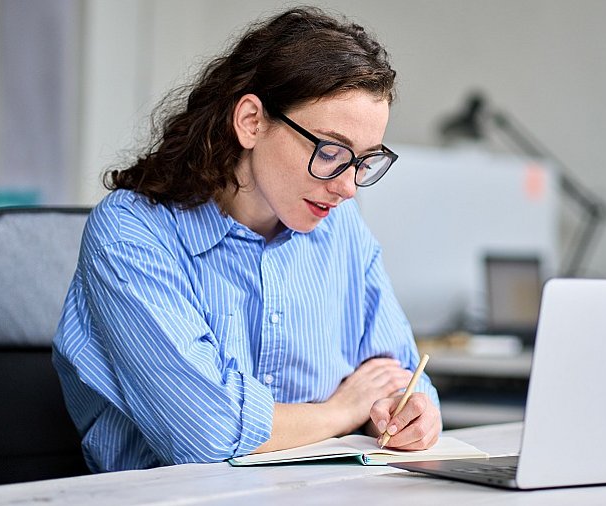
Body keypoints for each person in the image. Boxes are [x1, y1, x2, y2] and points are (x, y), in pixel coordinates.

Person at [52, 6, 441, 472]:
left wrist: (407, 411)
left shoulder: (341, 227)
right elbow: (205, 433)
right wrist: (342, 410)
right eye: (331, 151)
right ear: (252, 121)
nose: (347, 185)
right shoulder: (131, 235)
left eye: (365, 160)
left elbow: (399, 377)